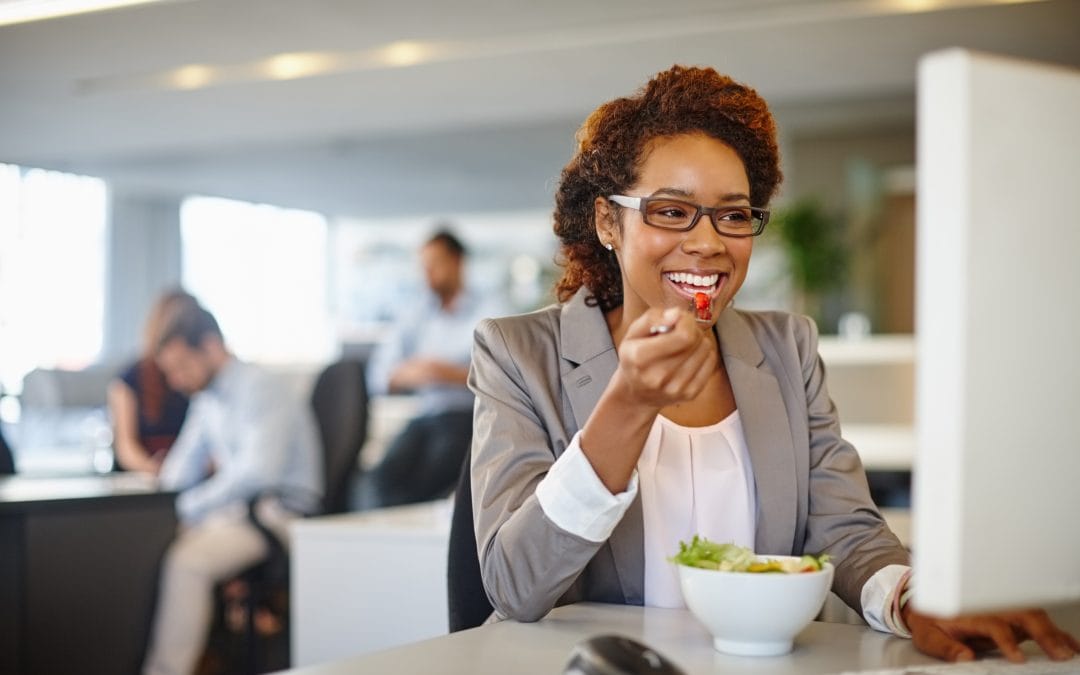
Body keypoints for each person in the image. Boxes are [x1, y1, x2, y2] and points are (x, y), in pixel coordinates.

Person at [468, 65, 1080, 663]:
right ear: (609, 221)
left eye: (734, 215)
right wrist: (629, 402)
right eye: (671, 211)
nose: (708, 242)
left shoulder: (787, 347)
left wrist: (916, 600)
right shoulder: (517, 354)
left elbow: (845, 529)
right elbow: (514, 585)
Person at [142, 301, 323, 675]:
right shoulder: (208, 398)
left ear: (209, 346)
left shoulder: (261, 386)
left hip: (280, 514)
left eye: (181, 368)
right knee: (153, 542)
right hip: (240, 511)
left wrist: (190, 507)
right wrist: (154, 501)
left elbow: (258, 473)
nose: (176, 381)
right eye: (170, 372)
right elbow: (180, 469)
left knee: (187, 564)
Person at [363, 228, 505, 507]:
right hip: (427, 415)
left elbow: (503, 375)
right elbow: (380, 377)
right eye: (424, 266)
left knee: (429, 481)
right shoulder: (416, 314)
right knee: (382, 478)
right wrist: (423, 372)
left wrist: (442, 373)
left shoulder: (490, 309)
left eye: (435, 264)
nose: (428, 273)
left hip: (468, 417)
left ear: (457, 262)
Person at [108, 289, 198, 474]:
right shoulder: (128, 381)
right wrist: (156, 471)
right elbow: (126, 448)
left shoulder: (200, 385)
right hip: (145, 481)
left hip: (187, 476)